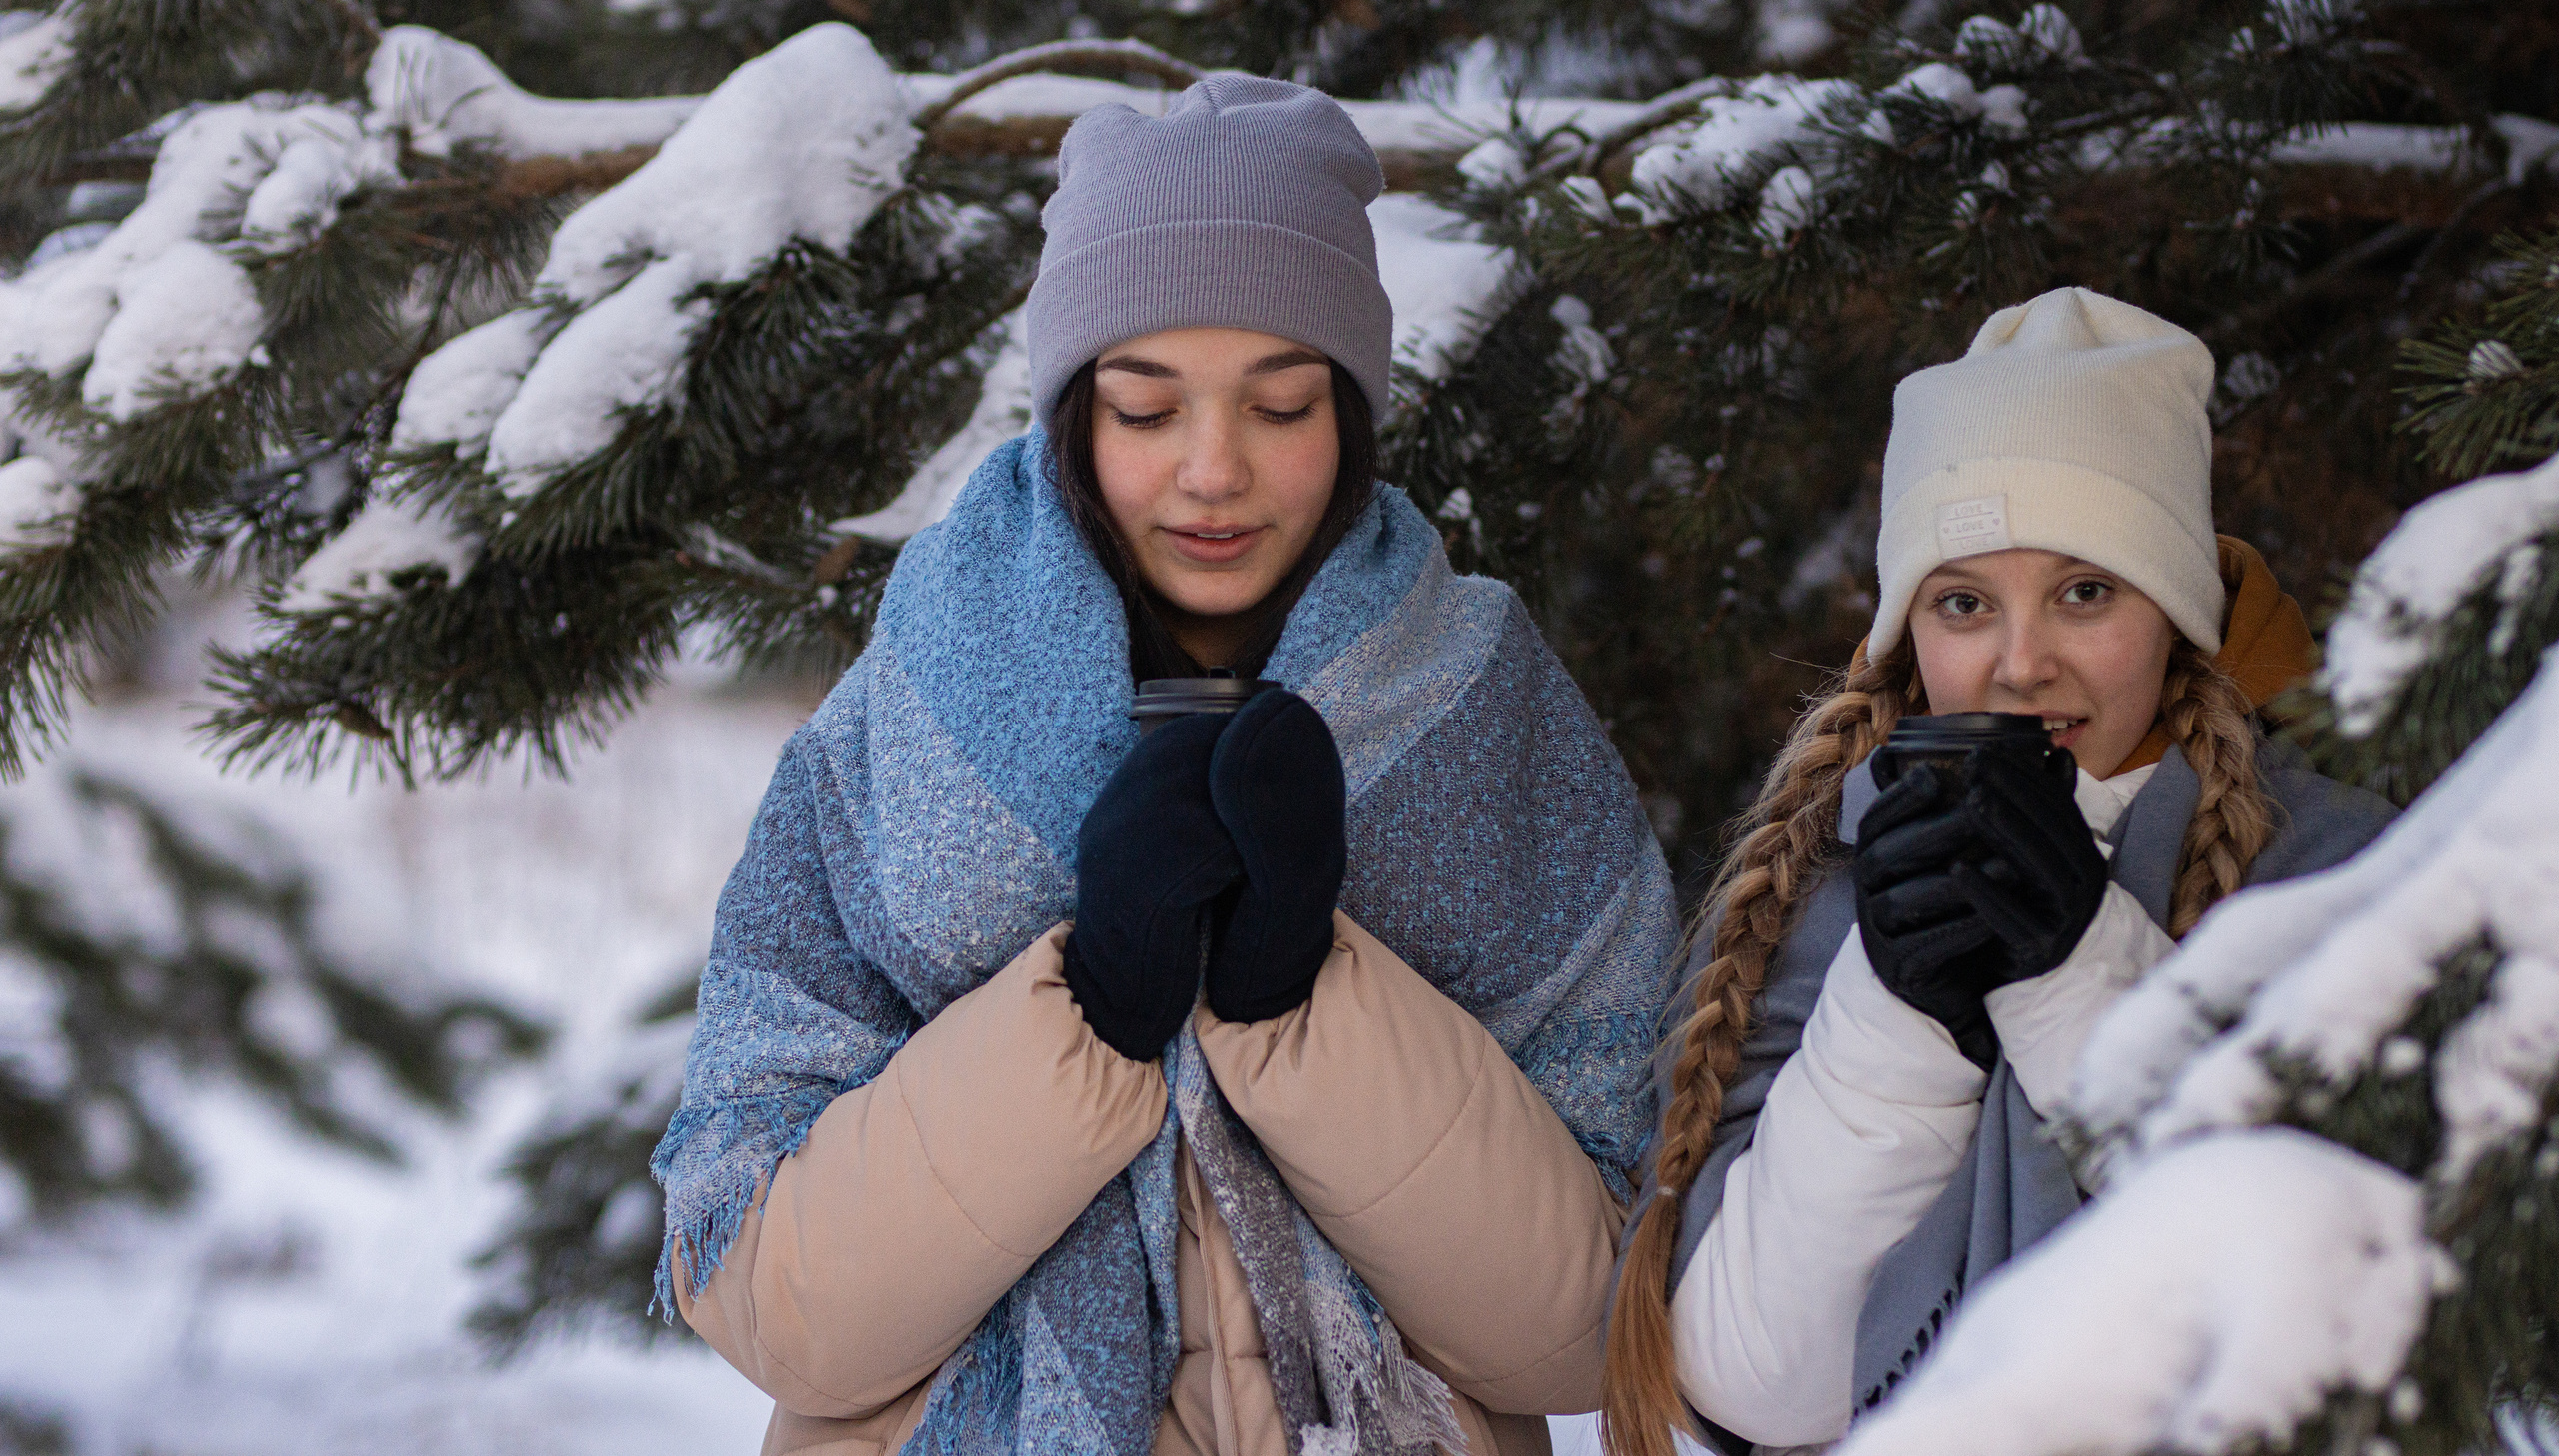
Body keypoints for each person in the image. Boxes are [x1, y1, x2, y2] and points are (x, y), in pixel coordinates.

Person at [652, 74, 1675, 1456]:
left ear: (1354, 412)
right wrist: (1091, 1013)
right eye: (1144, 409)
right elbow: (765, 1298)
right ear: (1071, 414)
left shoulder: (1484, 709)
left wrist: (1297, 1004)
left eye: (1282, 402)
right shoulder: (911, 714)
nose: (1213, 469)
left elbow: (1600, 1325)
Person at [1599, 288, 2398, 1456]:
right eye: (1964, 601)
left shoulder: (2339, 872)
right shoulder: (1819, 892)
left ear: (2175, 610)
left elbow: (2361, 1335)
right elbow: (1755, 1381)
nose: (2021, 665)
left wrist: (2077, 974)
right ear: (1906, 632)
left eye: (2086, 591)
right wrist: (1900, 1013)